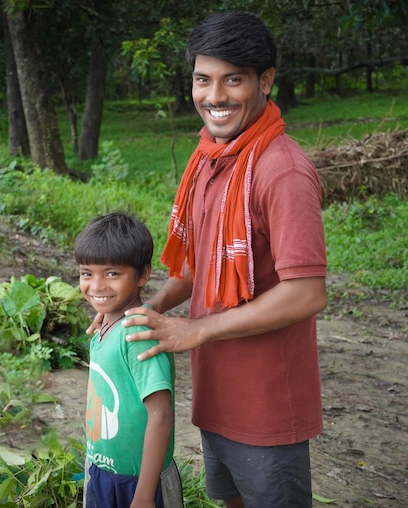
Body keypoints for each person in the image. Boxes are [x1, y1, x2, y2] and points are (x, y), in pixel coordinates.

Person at [90, 11, 327, 508]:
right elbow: (200, 267)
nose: (214, 96)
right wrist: (137, 312)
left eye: (233, 79)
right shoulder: (211, 160)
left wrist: (196, 331)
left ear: (266, 81)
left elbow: (306, 293)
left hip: (265, 408)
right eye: (203, 79)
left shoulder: (280, 170)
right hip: (215, 395)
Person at [74, 212, 183, 508]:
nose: (96, 286)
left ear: (142, 275)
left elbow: (161, 415)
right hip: (101, 470)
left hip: (140, 483)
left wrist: (145, 495)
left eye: (112, 274)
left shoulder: (139, 334)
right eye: (87, 273)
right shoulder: (104, 326)